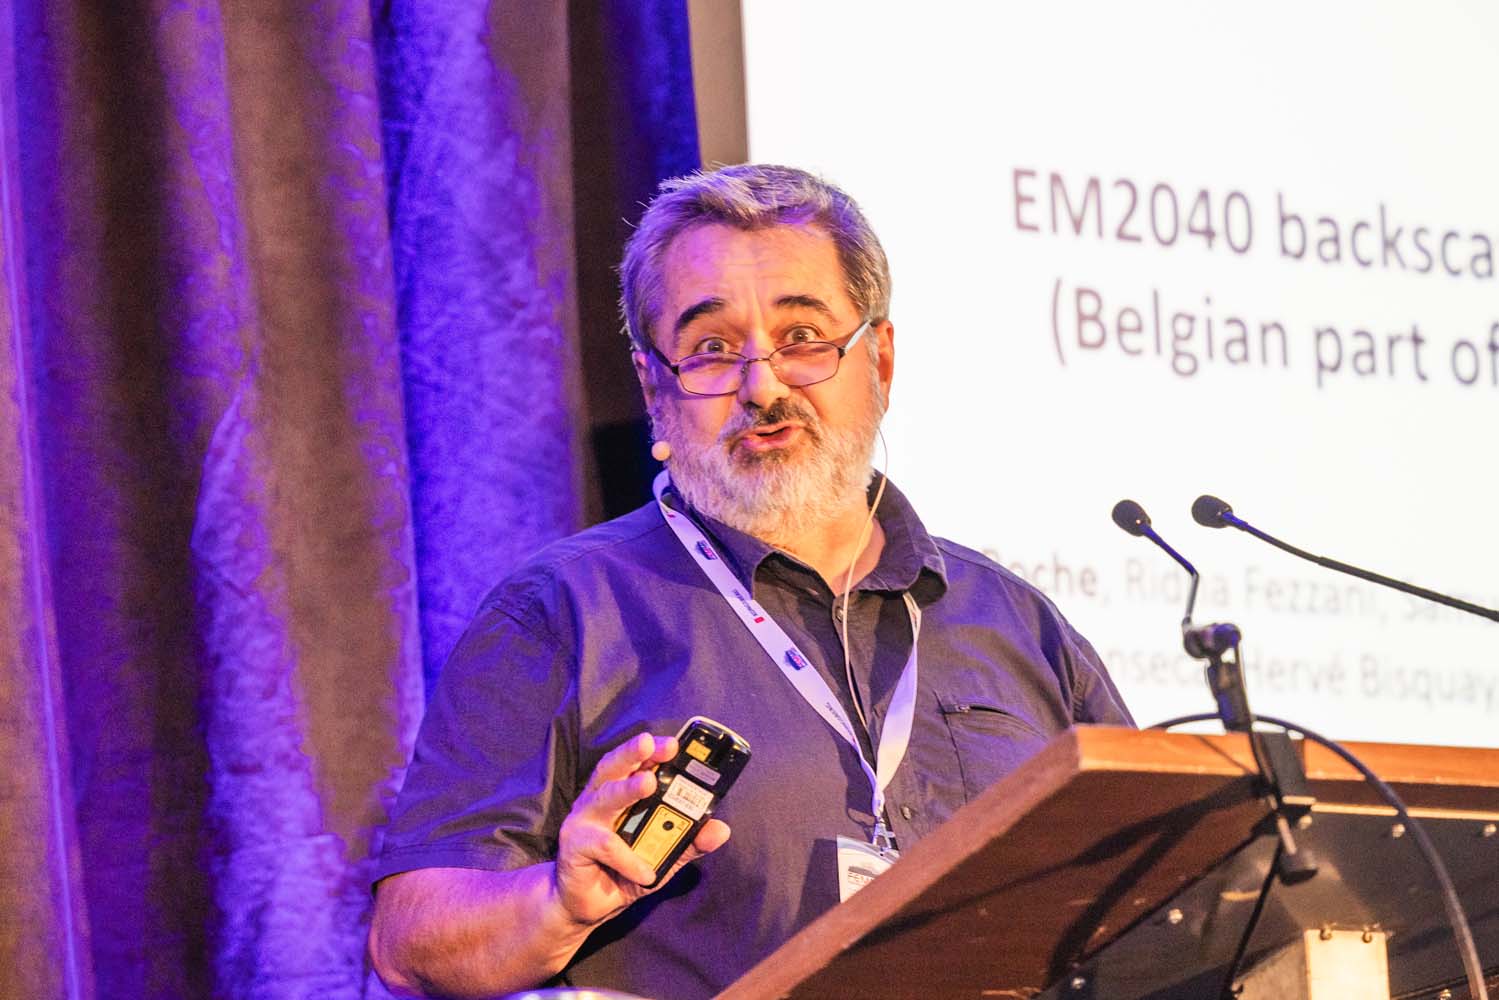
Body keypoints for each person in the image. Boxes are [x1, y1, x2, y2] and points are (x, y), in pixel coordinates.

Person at [368, 164, 1133, 999]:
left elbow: (1156, 891)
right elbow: (411, 942)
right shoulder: (562, 611)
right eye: (710, 349)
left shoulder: (1015, 622)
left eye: (802, 337)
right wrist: (557, 903)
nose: (760, 386)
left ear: (878, 359)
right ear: (654, 385)